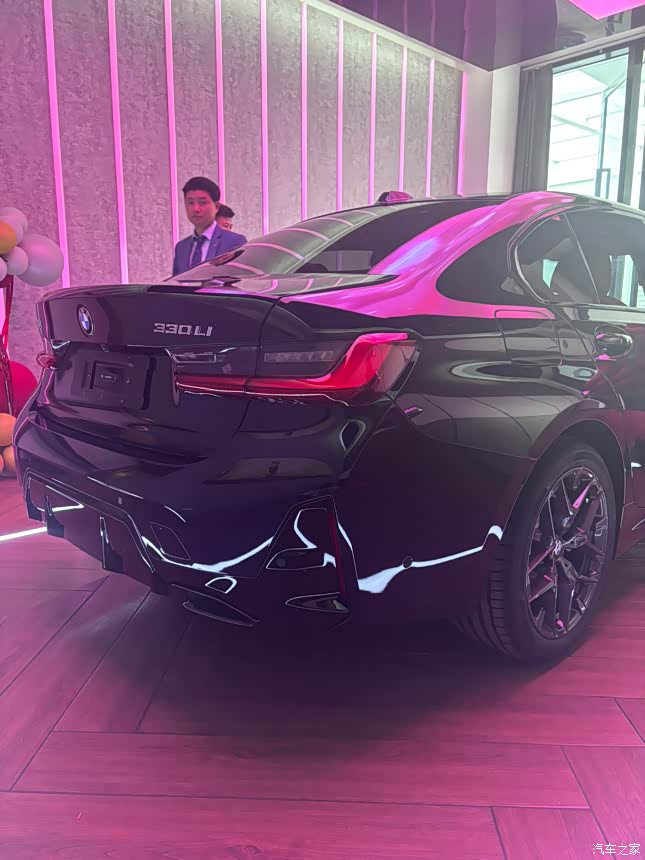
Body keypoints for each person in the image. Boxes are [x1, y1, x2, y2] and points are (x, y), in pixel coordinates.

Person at [172, 177, 246, 276]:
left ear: (216, 207)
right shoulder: (181, 247)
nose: (196, 209)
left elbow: (240, 281)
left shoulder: (234, 242)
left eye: (203, 202)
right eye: (190, 203)